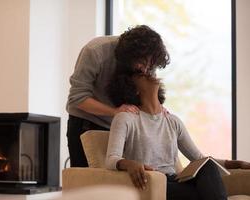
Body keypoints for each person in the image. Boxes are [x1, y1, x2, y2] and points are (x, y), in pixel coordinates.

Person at [105, 27, 250, 200]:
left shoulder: (172, 121)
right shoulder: (126, 118)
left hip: (175, 180)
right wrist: (129, 164)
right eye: (140, 74)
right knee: (203, 194)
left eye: (150, 69)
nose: (148, 72)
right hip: (152, 183)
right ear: (133, 88)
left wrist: (238, 163)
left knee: (207, 167)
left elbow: (199, 158)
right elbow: (111, 159)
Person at [66, 25, 167, 167]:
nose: (145, 70)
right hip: (86, 123)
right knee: (86, 183)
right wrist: (114, 111)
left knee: (116, 182)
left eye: (150, 66)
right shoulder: (95, 51)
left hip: (120, 125)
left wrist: (158, 110)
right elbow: (77, 98)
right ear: (130, 55)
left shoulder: (148, 64)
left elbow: (145, 94)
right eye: (142, 63)